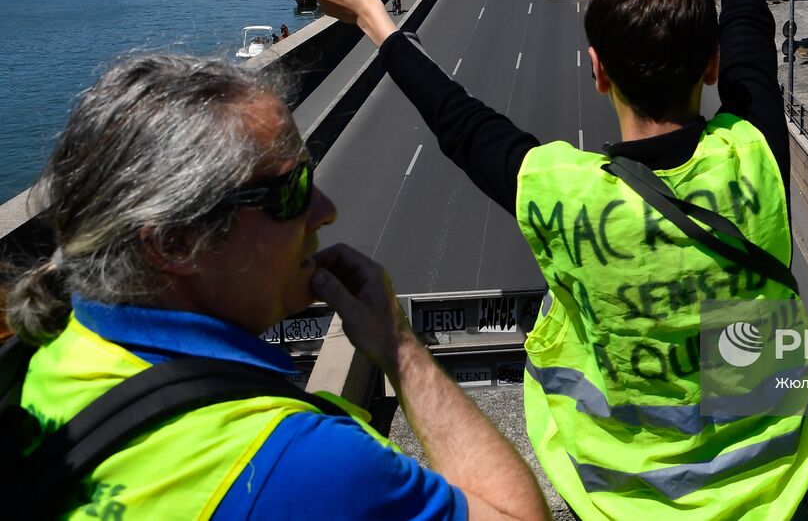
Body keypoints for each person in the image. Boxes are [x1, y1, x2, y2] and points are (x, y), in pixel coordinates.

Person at [299, 0, 808, 521]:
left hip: (616, 501)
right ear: (711, 66)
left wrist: (374, 15)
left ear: (598, 69)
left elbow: (457, 122)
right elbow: (751, 24)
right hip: (775, 491)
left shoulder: (560, 189)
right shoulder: (755, 155)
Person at [5, 54, 548, 521]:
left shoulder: (47, 353)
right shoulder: (295, 462)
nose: (326, 211)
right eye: (290, 191)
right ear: (174, 242)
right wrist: (398, 348)